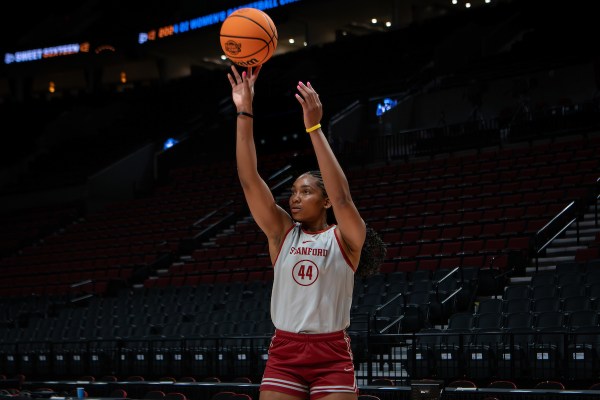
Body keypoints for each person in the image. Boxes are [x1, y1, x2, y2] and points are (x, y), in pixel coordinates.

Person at [227, 64, 385, 400]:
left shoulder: (346, 238)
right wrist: (244, 110)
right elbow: (248, 178)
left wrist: (314, 126)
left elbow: (343, 196)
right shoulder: (282, 232)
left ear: (326, 200)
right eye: (294, 191)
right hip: (285, 350)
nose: (295, 197)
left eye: (307, 191)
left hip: (331, 353)